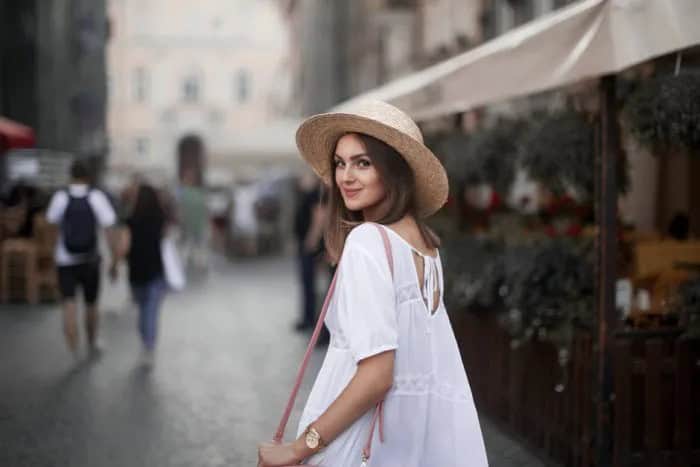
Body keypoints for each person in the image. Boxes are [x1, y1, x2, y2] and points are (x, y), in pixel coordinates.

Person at [258, 101, 488, 467]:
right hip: (407, 442)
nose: (346, 177)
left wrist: (300, 447)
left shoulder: (367, 242)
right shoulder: (426, 246)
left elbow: (377, 376)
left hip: (358, 443)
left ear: (393, 171)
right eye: (340, 163)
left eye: (363, 163)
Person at [46, 160, 117, 358]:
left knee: (69, 302)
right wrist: (114, 258)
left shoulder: (60, 197)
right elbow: (109, 227)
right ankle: (92, 342)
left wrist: (52, 252)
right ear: (88, 177)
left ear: (71, 176)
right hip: (90, 259)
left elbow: (50, 226)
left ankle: (72, 345)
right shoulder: (96, 197)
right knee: (91, 303)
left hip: (64, 260)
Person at [110, 183, 169, 366]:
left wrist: (113, 265)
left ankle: (147, 342)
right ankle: (148, 346)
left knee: (143, 309)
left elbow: (123, 247)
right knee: (150, 311)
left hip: (136, 273)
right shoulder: (160, 219)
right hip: (157, 271)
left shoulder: (131, 221)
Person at [293, 172, 324, 331]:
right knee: (306, 283)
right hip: (305, 244)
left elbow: (318, 218)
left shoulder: (315, 194)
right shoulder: (308, 194)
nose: (302, 180)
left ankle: (310, 319)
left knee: (309, 283)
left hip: (309, 246)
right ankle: (307, 318)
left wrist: (311, 241)